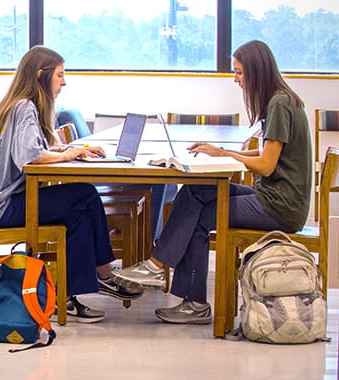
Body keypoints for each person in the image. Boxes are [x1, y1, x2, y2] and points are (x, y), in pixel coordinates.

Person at [112, 39, 312, 325]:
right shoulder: (280, 99)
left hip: (280, 206)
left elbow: (267, 165)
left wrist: (227, 153)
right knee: (195, 191)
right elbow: (269, 152)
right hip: (275, 198)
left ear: (257, 71)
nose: (236, 79)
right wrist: (222, 152)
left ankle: (175, 285)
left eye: (240, 72)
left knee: (200, 217)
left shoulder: (279, 103)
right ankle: (164, 274)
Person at [0, 46, 141, 324]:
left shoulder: (18, 105)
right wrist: (67, 155)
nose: (64, 82)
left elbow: (35, 148)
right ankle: (105, 273)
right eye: (60, 75)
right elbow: (29, 157)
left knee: (77, 215)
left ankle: (68, 296)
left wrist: (70, 150)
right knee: (85, 193)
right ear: (42, 76)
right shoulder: (25, 107)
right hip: (1, 208)